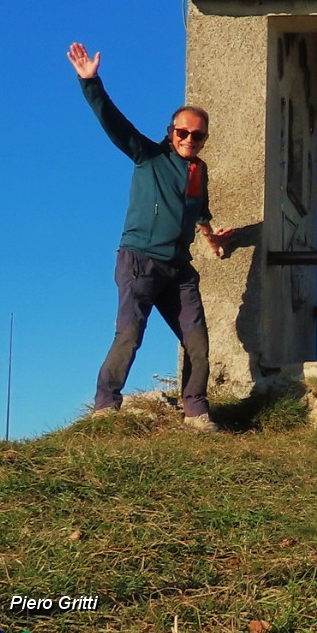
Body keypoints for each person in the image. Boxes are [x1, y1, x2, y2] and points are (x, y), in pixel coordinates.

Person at [67, 43, 233, 432]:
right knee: (131, 334)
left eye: (198, 135)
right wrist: (90, 82)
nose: (190, 139)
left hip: (178, 271)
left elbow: (199, 210)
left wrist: (211, 236)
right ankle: (105, 406)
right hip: (139, 261)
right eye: (183, 132)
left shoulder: (198, 171)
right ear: (170, 132)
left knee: (198, 342)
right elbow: (114, 123)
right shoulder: (149, 156)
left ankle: (195, 411)